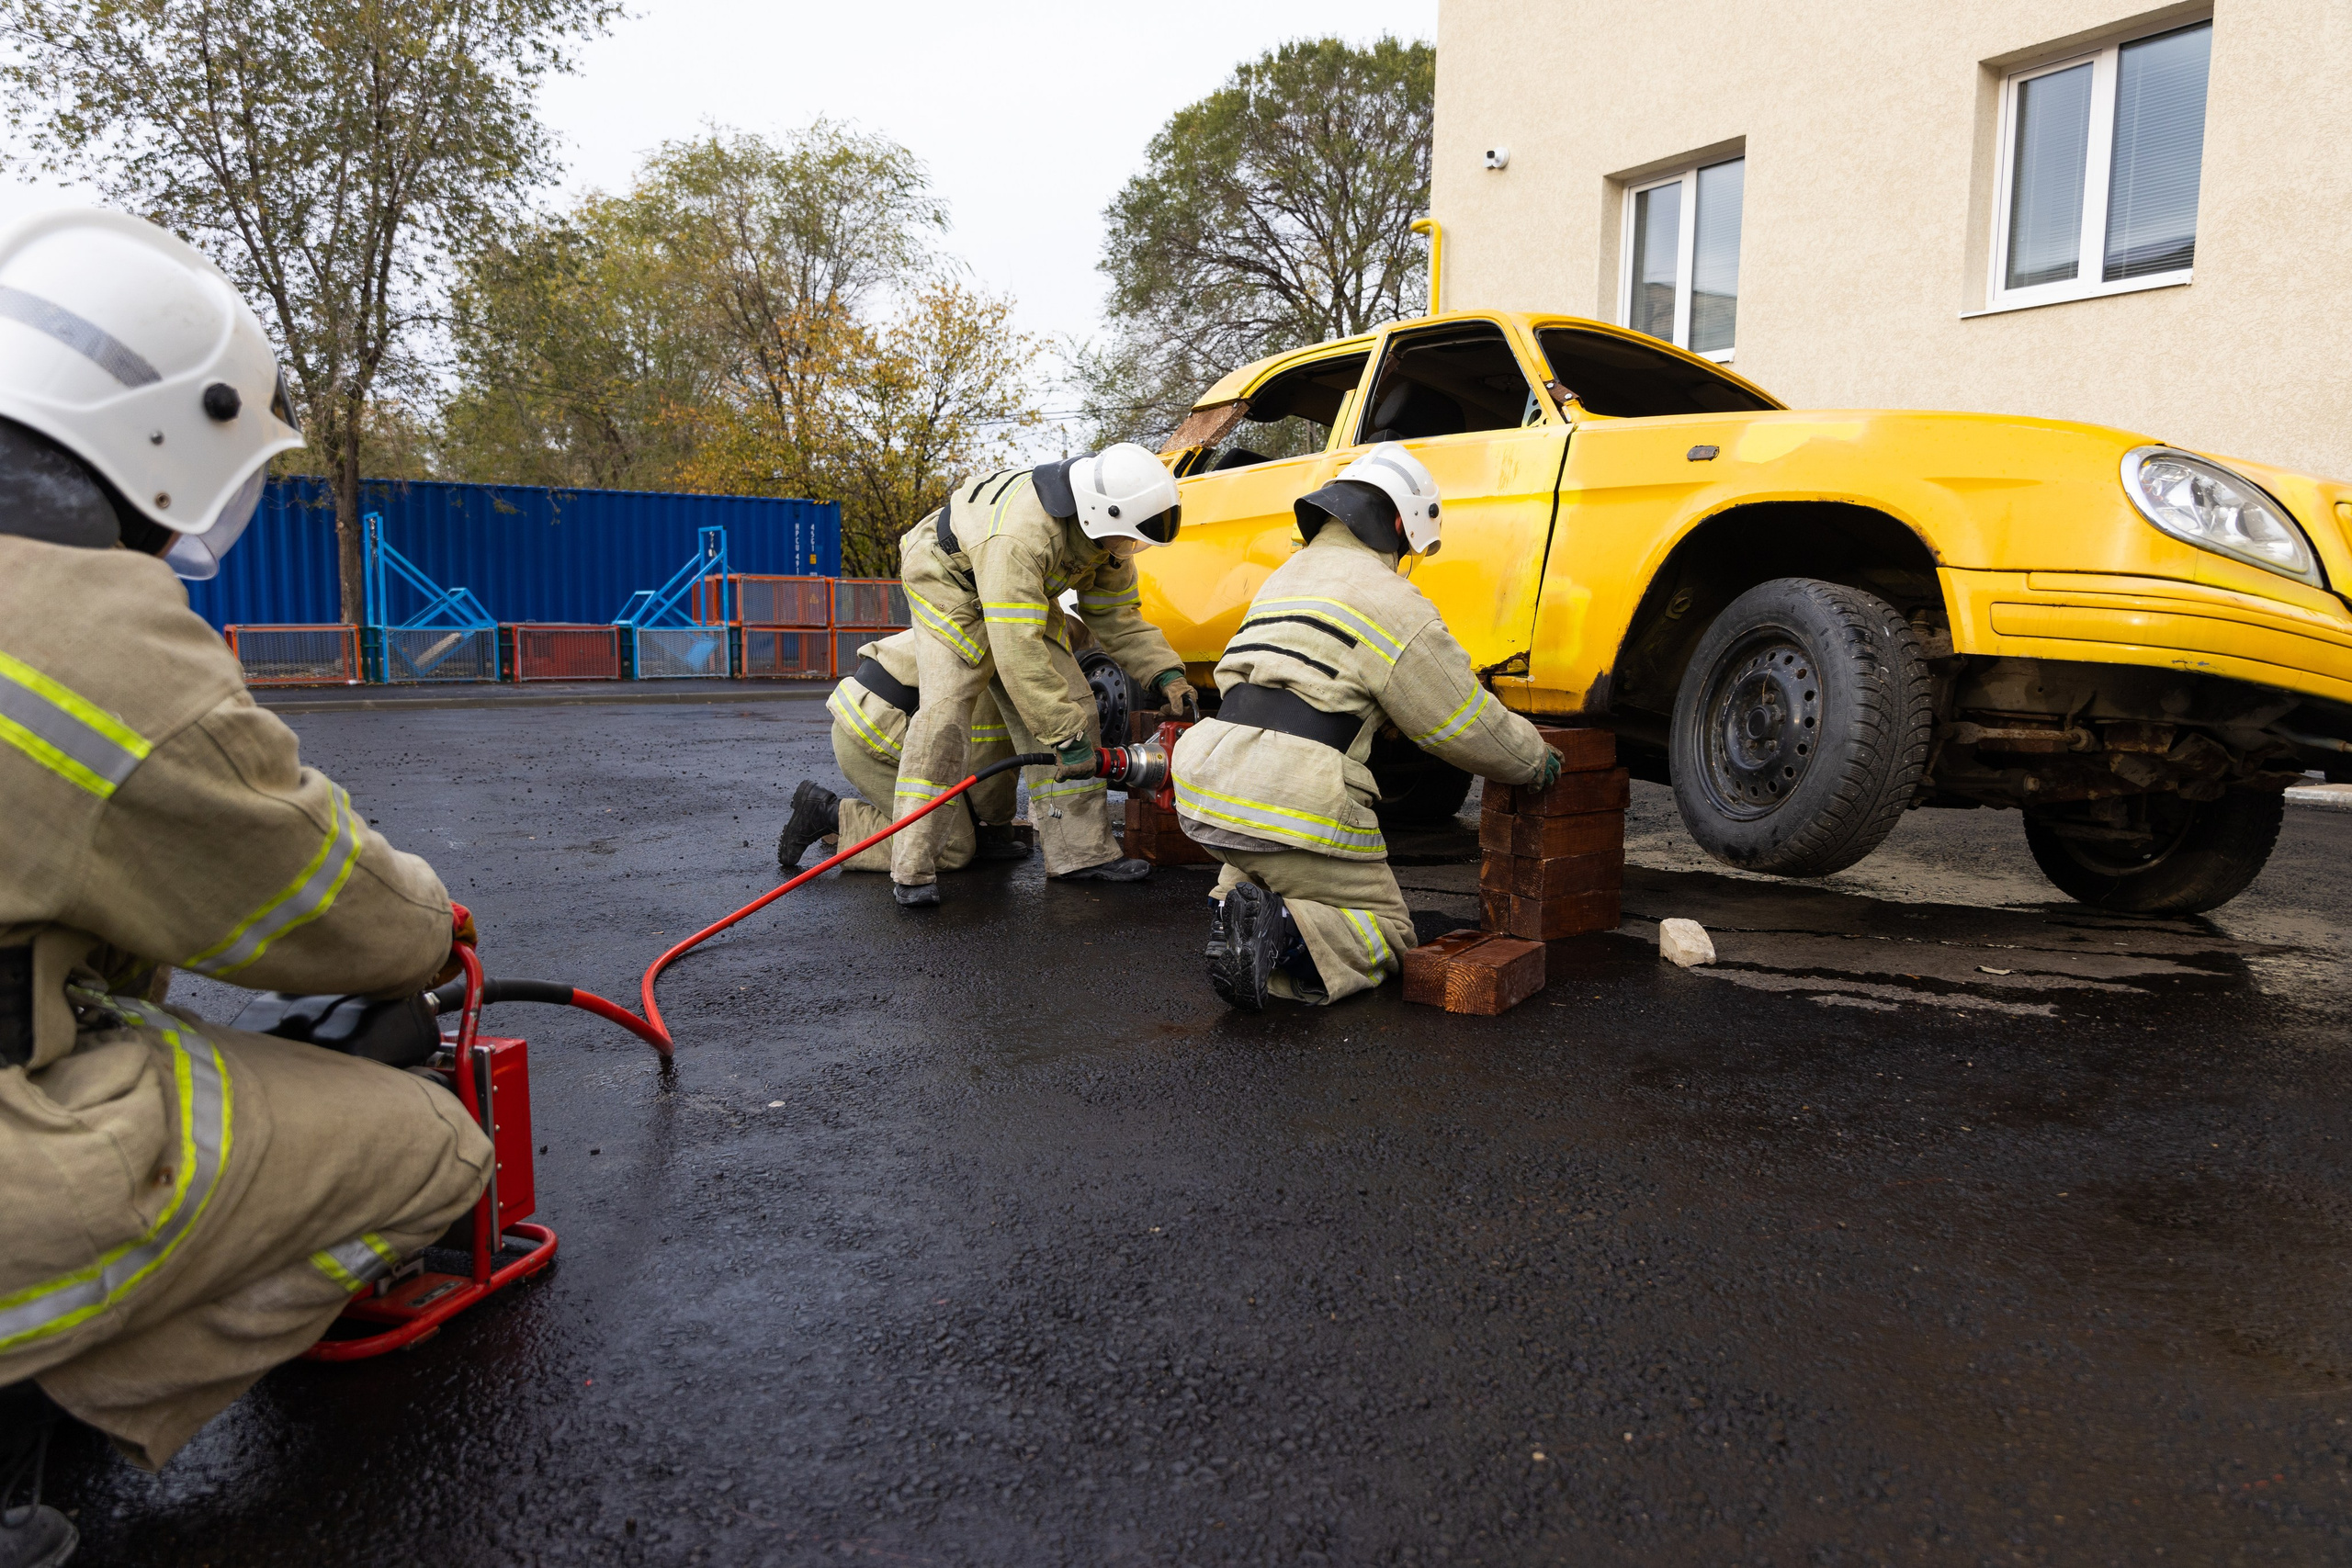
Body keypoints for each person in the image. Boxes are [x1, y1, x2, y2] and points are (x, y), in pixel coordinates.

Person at [0, 209, 491, 1558]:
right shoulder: (84, 631)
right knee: (432, 1147)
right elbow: (357, 925)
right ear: (170, 428)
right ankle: (43, 1401)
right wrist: (426, 919)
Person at [1170, 444, 1564, 1009]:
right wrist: (1530, 757)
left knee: (1258, 869)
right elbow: (1460, 722)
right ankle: (1281, 933)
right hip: (1289, 794)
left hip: (1210, 773)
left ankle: (1236, 909)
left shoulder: (1286, 577)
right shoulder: (1391, 600)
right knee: (1385, 932)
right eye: (1409, 546)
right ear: (1400, 523)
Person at [887, 445, 1197, 907]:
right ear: (1096, 514)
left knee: (1077, 705)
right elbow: (1017, 651)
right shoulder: (1021, 538)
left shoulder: (1107, 534)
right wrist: (1063, 738)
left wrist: (1165, 674)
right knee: (945, 717)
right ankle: (912, 869)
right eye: (1128, 540)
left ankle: (1081, 853)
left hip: (1015, 589)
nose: (1130, 551)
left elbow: (1118, 617)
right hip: (947, 581)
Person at [773, 627, 1030, 873]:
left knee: (951, 820)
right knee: (953, 847)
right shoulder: (998, 657)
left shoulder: (983, 622)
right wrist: (997, 829)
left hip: (871, 718)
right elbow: (987, 755)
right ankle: (826, 814)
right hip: (875, 735)